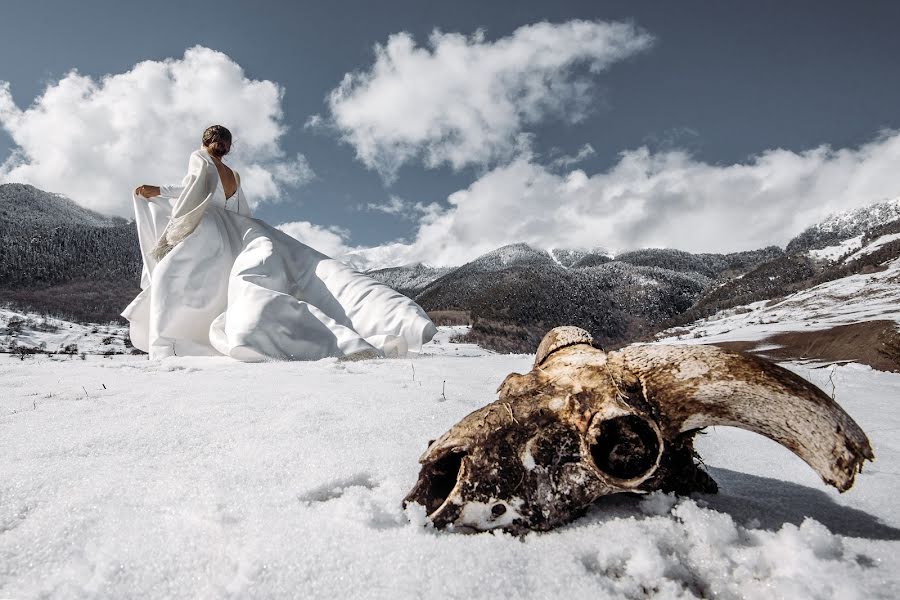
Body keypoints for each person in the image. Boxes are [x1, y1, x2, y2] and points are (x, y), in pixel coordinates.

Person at [122, 125, 437, 361]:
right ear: (228, 147)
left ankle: (178, 343)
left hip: (211, 226)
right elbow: (237, 207)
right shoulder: (233, 174)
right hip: (238, 225)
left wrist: (158, 192)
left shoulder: (200, 158)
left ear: (206, 142)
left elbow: (193, 190)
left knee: (178, 279)